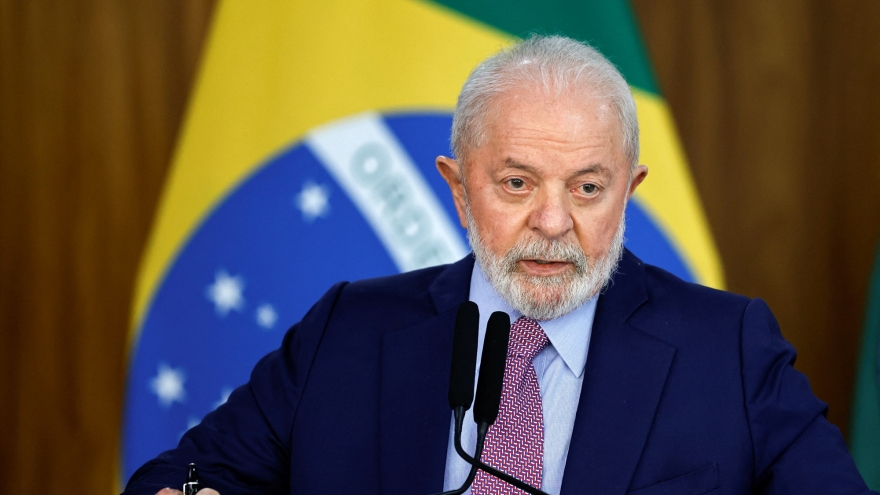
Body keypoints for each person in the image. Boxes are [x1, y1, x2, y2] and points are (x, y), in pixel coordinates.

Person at [125, 35, 875, 495]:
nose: (552, 222)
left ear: (629, 191)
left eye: (588, 188)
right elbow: (177, 478)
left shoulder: (729, 350)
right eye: (517, 184)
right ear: (458, 188)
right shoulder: (347, 331)